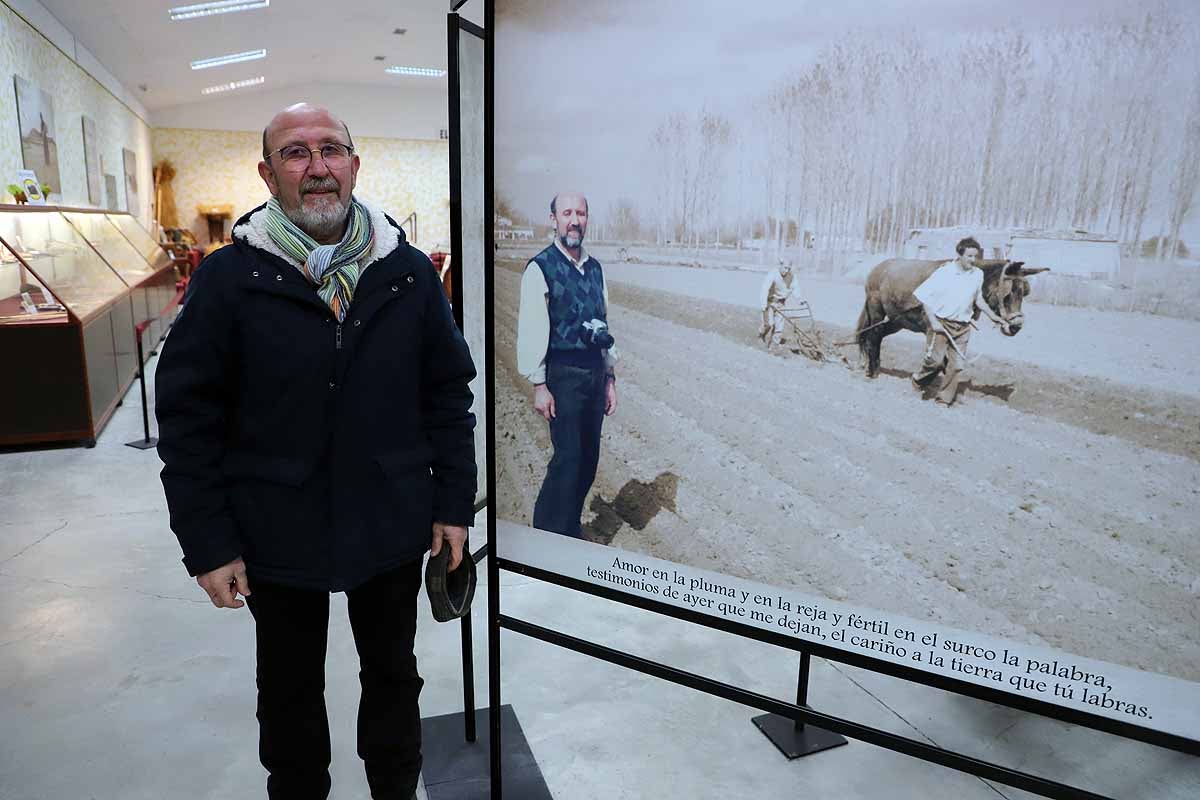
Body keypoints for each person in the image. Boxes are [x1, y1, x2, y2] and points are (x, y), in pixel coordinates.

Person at [155, 103, 477, 800]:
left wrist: (454, 504)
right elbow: (186, 420)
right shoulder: (228, 279)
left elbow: (448, 396)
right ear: (268, 174)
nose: (318, 166)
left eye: (332, 149)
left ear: (355, 165)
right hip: (275, 528)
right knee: (289, 690)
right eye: (296, 153)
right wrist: (207, 542)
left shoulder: (410, 274)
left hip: (390, 520)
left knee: (393, 676)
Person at [516, 191, 617, 538]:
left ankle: (569, 528)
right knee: (568, 460)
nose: (575, 220)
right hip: (563, 376)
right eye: (567, 213)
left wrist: (609, 379)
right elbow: (532, 330)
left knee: (588, 459)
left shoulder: (596, 269)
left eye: (582, 214)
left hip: (593, 373)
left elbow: (603, 322)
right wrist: (539, 385)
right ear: (554, 219)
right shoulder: (541, 268)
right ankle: (547, 536)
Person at [911, 236, 1009, 406]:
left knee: (956, 366)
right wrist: (934, 322)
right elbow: (925, 297)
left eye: (976, 256)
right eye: (969, 256)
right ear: (959, 255)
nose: (973, 260)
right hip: (941, 323)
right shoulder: (944, 272)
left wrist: (993, 317)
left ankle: (944, 399)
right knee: (935, 361)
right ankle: (918, 379)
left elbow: (978, 299)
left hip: (963, 326)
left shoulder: (977, 274)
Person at [758, 257, 795, 347]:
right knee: (769, 324)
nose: (786, 270)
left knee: (779, 327)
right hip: (770, 302)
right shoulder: (772, 274)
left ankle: (775, 344)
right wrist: (764, 305)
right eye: (785, 268)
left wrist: (799, 299)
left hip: (781, 303)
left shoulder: (790, 276)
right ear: (780, 266)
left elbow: (794, 287)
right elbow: (764, 289)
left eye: (789, 268)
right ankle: (761, 335)